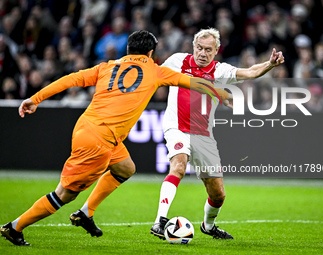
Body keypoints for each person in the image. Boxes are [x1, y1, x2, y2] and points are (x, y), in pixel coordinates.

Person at [0, 30, 232, 246]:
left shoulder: (106, 66)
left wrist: (36, 98)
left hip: (87, 128)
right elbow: (193, 82)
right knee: (64, 194)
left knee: (126, 168)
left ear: (128, 50)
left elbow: (70, 79)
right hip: (99, 142)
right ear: (151, 53)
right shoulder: (155, 70)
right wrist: (218, 91)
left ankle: (86, 213)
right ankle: (15, 227)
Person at [150, 28, 284, 240]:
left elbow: (249, 72)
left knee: (218, 194)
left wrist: (269, 65)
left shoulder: (220, 71)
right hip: (177, 127)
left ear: (216, 51)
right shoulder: (177, 61)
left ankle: (209, 226)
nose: (202, 53)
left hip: (204, 136)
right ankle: (160, 220)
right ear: (193, 46)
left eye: (208, 50)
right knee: (179, 165)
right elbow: (153, 74)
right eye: (199, 48)